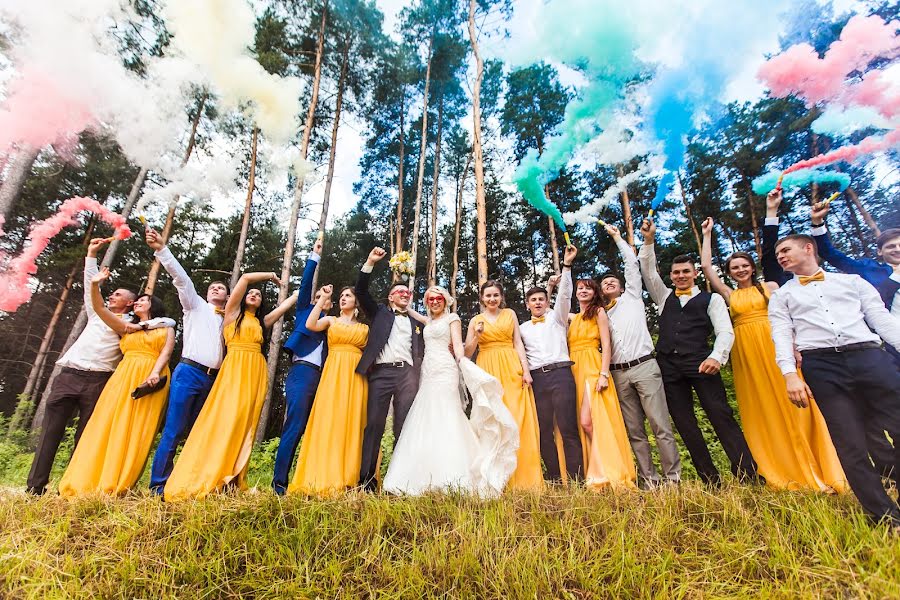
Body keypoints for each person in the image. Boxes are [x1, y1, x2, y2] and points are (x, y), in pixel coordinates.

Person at [700, 209, 846, 492]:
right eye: (734, 268)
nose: (739, 270)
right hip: (746, 354)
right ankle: (781, 469)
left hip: (775, 347)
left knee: (797, 405)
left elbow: (788, 321)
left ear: (751, 268)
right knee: (762, 407)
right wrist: (707, 235)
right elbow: (707, 268)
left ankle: (819, 469)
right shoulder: (730, 295)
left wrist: (795, 348)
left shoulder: (769, 287)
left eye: (744, 266)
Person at [768, 234, 900, 527]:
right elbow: (781, 335)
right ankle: (885, 518)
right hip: (823, 367)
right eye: (777, 253)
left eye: (785, 250)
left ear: (808, 248)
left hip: (869, 357)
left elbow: (882, 320)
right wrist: (790, 375)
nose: (780, 256)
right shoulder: (782, 295)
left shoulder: (852, 282)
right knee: (850, 443)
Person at [26, 238, 169, 495]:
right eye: (111, 294)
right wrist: (91, 255)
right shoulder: (98, 313)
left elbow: (163, 323)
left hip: (100, 381)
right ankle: (35, 487)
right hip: (69, 374)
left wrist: (147, 324)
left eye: (118, 295)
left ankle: (74, 485)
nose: (112, 295)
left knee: (87, 436)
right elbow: (92, 293)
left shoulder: (130, 326)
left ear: (129, 303)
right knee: (50, 434)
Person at [639, 218, 757, 485]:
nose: (681, 275)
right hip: (669, 368)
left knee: (720, 416)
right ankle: (709, 479)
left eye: (686, 272)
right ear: (671, 276)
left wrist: (717, 356)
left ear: (695, 273)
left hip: (702, 363)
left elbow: (725, 331)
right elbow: (647, 269)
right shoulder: (663, 296)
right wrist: (649, 241)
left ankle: (748, 475)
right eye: (676, 272)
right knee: (685, 424)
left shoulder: (712, 299)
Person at [164, 271, 298, 501]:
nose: (254, 294)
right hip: (234, 368)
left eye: (258, 295)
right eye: (251, 293)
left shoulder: (260, 323)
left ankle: (235, 476)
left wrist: (297, 294)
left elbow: (282, 308)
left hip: (255, 372)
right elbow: (245, 278)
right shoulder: (232, 314)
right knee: (226, 418)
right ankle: (211, 471)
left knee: (245, 422)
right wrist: (270, 277)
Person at [383, 286, 518, 496]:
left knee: (447, 414)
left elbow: (458, 347)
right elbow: (409, 310)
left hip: (446, 370)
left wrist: (465, 357)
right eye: (430, 299)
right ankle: (422, 475)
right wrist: (401, 296)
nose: (434, 302)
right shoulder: (427, 322)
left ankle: (455, 476)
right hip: (428, 372)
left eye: (438, 298)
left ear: (445, 301)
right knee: (426, 415)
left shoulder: (452, 318)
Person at [58, 267, 175, 496]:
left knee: (138, 427)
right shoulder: (126, 327)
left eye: (144, 300)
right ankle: (90, 477)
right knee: (108, 423)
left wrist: (155, 372)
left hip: (152, 375)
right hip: (123, 375)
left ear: (155, 305)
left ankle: (120, 480)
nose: (139, 302)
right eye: (137, 300)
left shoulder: (166, 326)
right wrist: (94, 284)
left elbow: (166, 352)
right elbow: (100, 308)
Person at [145, 227, 229, 496]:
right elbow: (181, 280)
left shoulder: (228, 320)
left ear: (228, 296)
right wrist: (162, 249)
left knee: (200, 432)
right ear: (206, 293)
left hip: (213, 379)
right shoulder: (195, 306)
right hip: (189, 372)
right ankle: (158, 485)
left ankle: (188, 481)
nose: (217, 288)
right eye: (213, 286)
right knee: (174, 429)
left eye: (222, 288)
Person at [599, 224, 681, 489]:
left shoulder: (633, 297)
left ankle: (673, 479)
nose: (609, 282)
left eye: (613, 281)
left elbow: (631, 266)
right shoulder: (601, 314)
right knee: (635, 431)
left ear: (622, 287)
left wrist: (617, 238)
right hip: (618, 373)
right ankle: (649, 480)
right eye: (604, 282)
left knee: (660, 425)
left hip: (645, 366)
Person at [355, 247, 425, 492]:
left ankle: (400, 482)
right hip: (381, 374)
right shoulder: (380, 314)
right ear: (390, 298)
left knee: (404, 426)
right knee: (374, 425)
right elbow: (361, 291)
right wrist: (370, 262)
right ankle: (366, 483)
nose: (404, 294)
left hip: (408, 376)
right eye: (399, 292)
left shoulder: (417, 320)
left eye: (407, 292)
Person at [289, 284, 369, 495]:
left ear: (356, 301)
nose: (343, 298)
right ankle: (322, 474)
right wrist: (324, 297)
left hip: (356, 376)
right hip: (334, 372)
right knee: (330, 418)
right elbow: (310, 323)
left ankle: (349, 476)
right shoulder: (331, 320)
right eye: (341, 296)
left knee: (352, 420)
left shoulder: (364, 328)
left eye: (348, 296)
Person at [465, 280, 543, 491]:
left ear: (501, 297)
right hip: (488, 368)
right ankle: (495, 480)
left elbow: (518, 342)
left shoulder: (510, 314)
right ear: (482, 298)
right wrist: (477, 335)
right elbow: (467, 353)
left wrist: (525, 371)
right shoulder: (475, 320)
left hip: (511, 367)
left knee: (518, 419)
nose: (492, 299)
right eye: (488, 295)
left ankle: (526, 478)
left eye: (495, 295)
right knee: (494, 421)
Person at [519, 244, 584, 483]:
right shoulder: (522, 328)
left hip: (561, 375)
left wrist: (567, 266)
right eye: (533, 300)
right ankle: (555, 478)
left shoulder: (557, 319)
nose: (537, 303)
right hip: (537, 379)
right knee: (544, 431)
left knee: (568, 428)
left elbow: (565, 294)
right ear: (527, 304)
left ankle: (577, 479)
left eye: (541, 299)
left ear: (547, 302)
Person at [568, 277, 636, 490]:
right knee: (584, 423)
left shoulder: (598, 312)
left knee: (588, 421)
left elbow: (607, 346)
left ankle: (608, 469)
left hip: (592, 368)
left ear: (594, 292)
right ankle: (596, 469)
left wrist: (604, 374)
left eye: (588, 288)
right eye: (580, 288)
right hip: (574, 369)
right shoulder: (573, 317)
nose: (583, 291)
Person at [273, 237, 329, 495]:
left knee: (319, 427)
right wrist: (314, 257)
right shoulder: (305, 310)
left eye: (326, 297)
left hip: (326, 378)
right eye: (318, 296)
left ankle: (311, 479)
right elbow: (306, 284)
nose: (322, 298)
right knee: (294, 425)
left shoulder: (333, 323)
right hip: (302, 372)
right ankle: (279, 484)